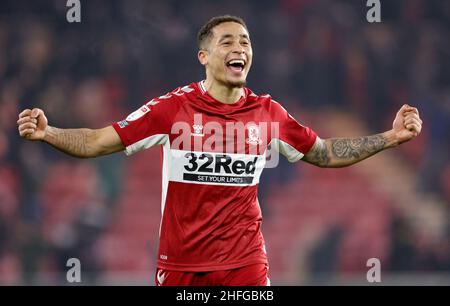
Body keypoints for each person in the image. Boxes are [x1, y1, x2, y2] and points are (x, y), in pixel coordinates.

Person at [17, 15, 422, 286]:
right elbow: (97, 141)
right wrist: (49, 132)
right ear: (204, 57)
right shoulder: (171, 109)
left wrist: (389, 137)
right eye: (227, 41)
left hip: (245, 266)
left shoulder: (268, 113)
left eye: (245, 41)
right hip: (181, 268)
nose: (240, 48)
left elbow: (324, 152)